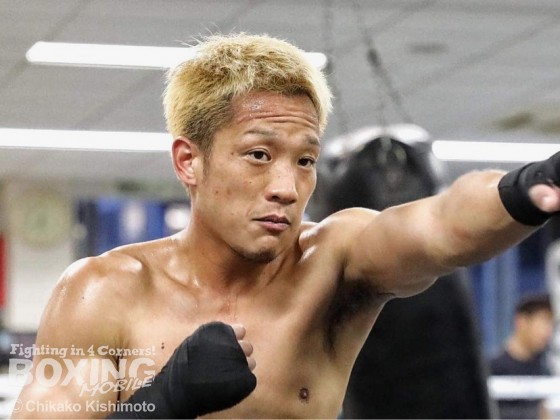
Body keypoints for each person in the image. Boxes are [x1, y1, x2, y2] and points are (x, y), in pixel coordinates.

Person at [12, 32, 560, 418]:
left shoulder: (334, 264)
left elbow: (439, 226)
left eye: (305, 160)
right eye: (259, 155)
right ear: (189, 162)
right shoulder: (103, 292)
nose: (287, 187)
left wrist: (531, 186)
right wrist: (163, 403)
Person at [490, 293, 555, 419]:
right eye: (543, 321)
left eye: (551, 323)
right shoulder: (492, 369)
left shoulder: (544, 371)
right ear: (522, 321)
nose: (548, 330)